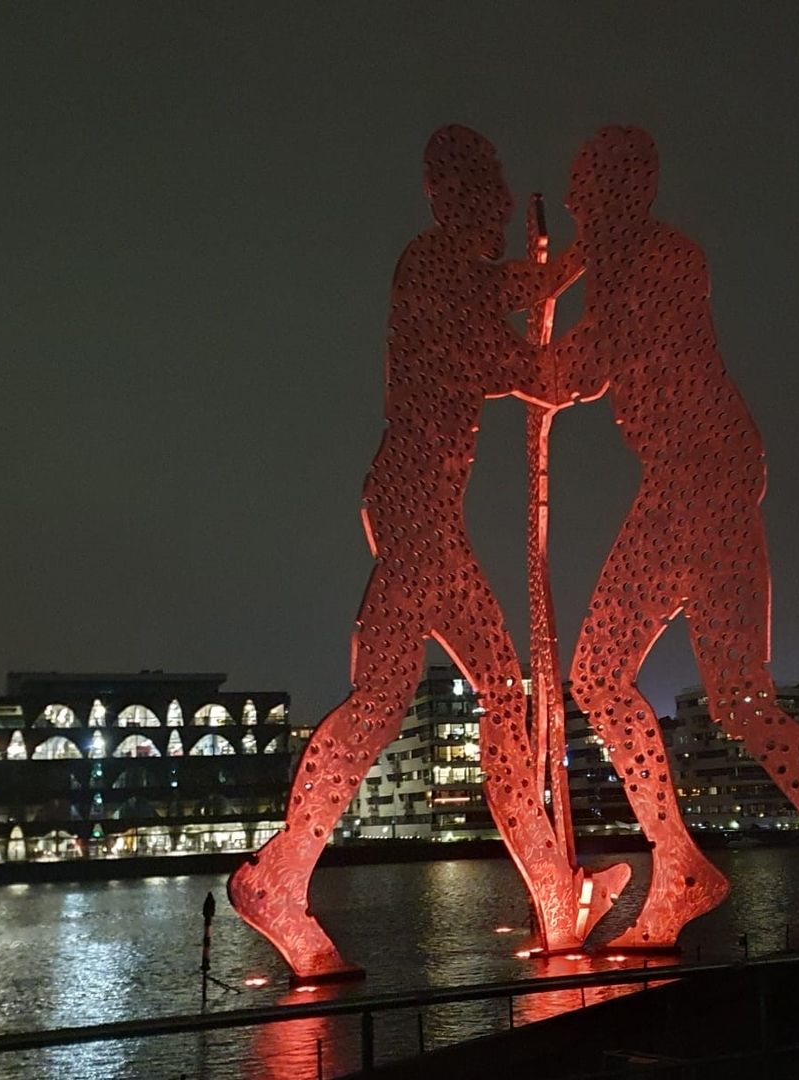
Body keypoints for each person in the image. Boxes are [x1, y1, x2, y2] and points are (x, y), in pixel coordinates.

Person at [229, 126, 627, 981]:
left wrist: (568, 267)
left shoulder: (459, 270)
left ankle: (290, 876)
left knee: (403, 698)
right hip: (415, 513)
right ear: (449, 201)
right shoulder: (433, 267)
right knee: (471, 697)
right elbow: (513, 359)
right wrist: (581, 364)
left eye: (493, 207)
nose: (488, 220)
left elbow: (514, 288)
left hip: (423, 510)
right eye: (478, 203)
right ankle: (551, 896)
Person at [551, 127, 799, 948]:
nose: (573, 205)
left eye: (583, 189)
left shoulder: (651, 260)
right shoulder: (633, 255)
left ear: (616, 192)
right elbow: (583, 295)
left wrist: (498, 360)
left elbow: (578, 366)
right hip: (698, 477)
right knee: (731, 700)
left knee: (616, 677)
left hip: (695, 477)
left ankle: (703, 868)